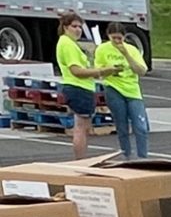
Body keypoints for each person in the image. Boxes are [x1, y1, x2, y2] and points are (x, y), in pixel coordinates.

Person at [93, 24, 149, 158]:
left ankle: (143, 156)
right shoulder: (102, 49)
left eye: (120, 38)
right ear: (108, 36)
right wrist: (110, 69)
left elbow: (142, 71)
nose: (117, 41)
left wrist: (126, 55)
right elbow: (98, 72)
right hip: (113, 87)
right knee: (121, 125)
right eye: (114, 38)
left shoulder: (132, 49)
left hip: (132, 90)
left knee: (140, 126)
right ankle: (126, 154)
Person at [54, 12, 104, 159]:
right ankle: (80, 160)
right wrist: (99, 71)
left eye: (80, 27)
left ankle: (81, 159)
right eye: (74, 26)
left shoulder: (70, 44)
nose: (78, 30)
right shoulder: (67, 44)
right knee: (81, 128)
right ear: (65, 27)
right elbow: (76, 70)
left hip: (81, 88)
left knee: (83, 128)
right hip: (78, 88)